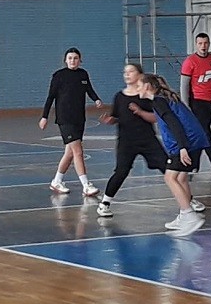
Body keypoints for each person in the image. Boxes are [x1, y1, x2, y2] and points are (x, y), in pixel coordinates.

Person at [95, 63, 202, 228]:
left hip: (156, 140)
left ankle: (187, 210)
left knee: (170, 174)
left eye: (131, 71)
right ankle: (186, 210)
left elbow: (170, 122)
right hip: (128, 141)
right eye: (125, 71)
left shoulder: (155, 100)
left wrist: (182, 146)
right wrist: (111, 120)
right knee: (172, 175)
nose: (127, 74)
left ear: (143, 81)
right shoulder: (124, 97)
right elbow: (172, 121)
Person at [146, 74, 211, 234]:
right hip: (196, 140)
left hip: (185, 142)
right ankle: (185, 214)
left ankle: (189, 215)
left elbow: (174, 124)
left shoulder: (158, 101)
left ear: (148, 87)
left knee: (170, 178)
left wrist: (182, 147)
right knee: (181, 177)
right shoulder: (166, 98)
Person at [39, 48, 102, 199]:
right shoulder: (59, 76)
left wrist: (96, 99)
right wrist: (44, 117)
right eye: (70, 58)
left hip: (79, 118)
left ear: (80, 60)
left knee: (69, 153)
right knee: (78, 152)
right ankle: (86, 185)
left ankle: (57, 181)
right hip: (65, 119)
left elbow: (89, 89)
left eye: (75, 58)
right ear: (65, 60)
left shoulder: (83, 74)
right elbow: (50, 97)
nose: (73, 61)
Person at [177, 33, 211, 176]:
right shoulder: (190, 61)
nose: (203, 46)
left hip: (209, 102)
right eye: (200, 43)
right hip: (196, 102)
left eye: (205, 43)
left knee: (201, 133)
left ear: (209, 43)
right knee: (205, 133)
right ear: (196, 44)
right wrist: (186, 105)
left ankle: (193, 165)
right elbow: (184, 85)